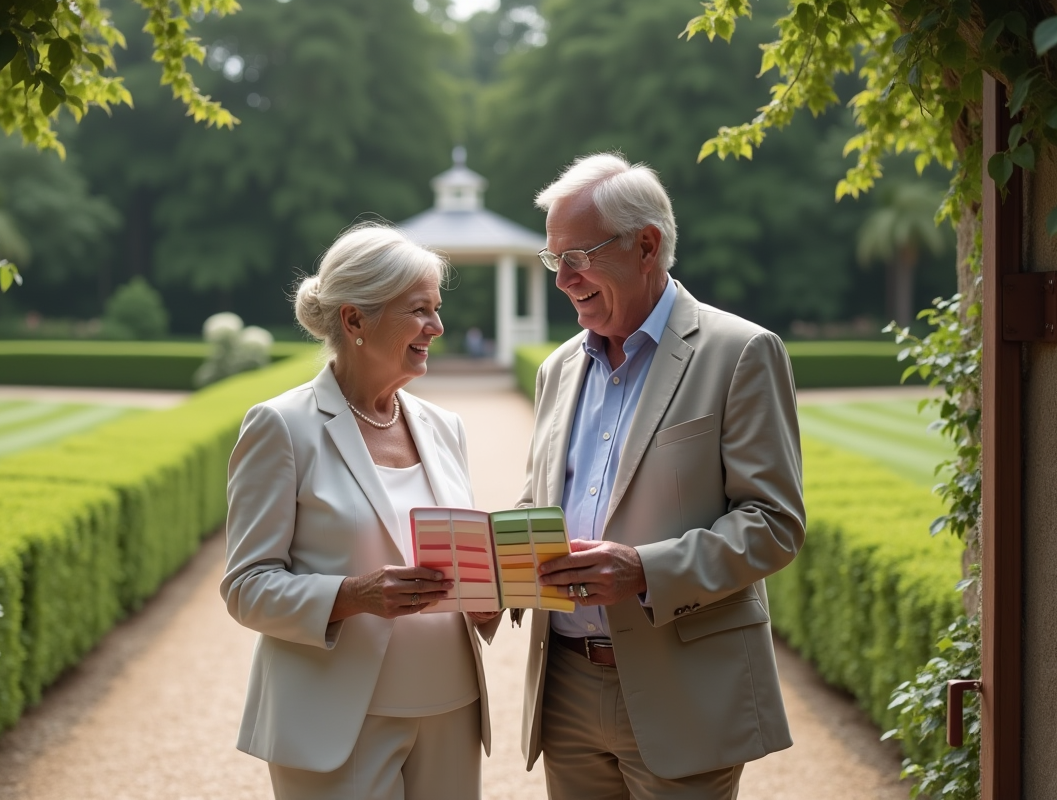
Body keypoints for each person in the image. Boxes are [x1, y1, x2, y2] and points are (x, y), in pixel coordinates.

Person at [517, 153, 806, 800]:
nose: (563, 280)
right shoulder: (558, 368)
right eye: (553, 259)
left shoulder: (742, 353)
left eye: (577, 257)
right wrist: (490, 564)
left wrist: (645, 570)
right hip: (563, 687)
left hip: (685, 687)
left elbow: (775, 525)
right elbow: (540, 499)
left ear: (646, 245)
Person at [221, 223, 500, 800]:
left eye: (437, 309)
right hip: (335, 720)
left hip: (452, 707)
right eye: (419, 310)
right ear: (354, 322)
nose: (437, 328)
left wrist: (495, 590)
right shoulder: (281, 427)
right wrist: (353, 595)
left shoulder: (445, 428)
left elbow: (459, 558)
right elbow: (246, 587)